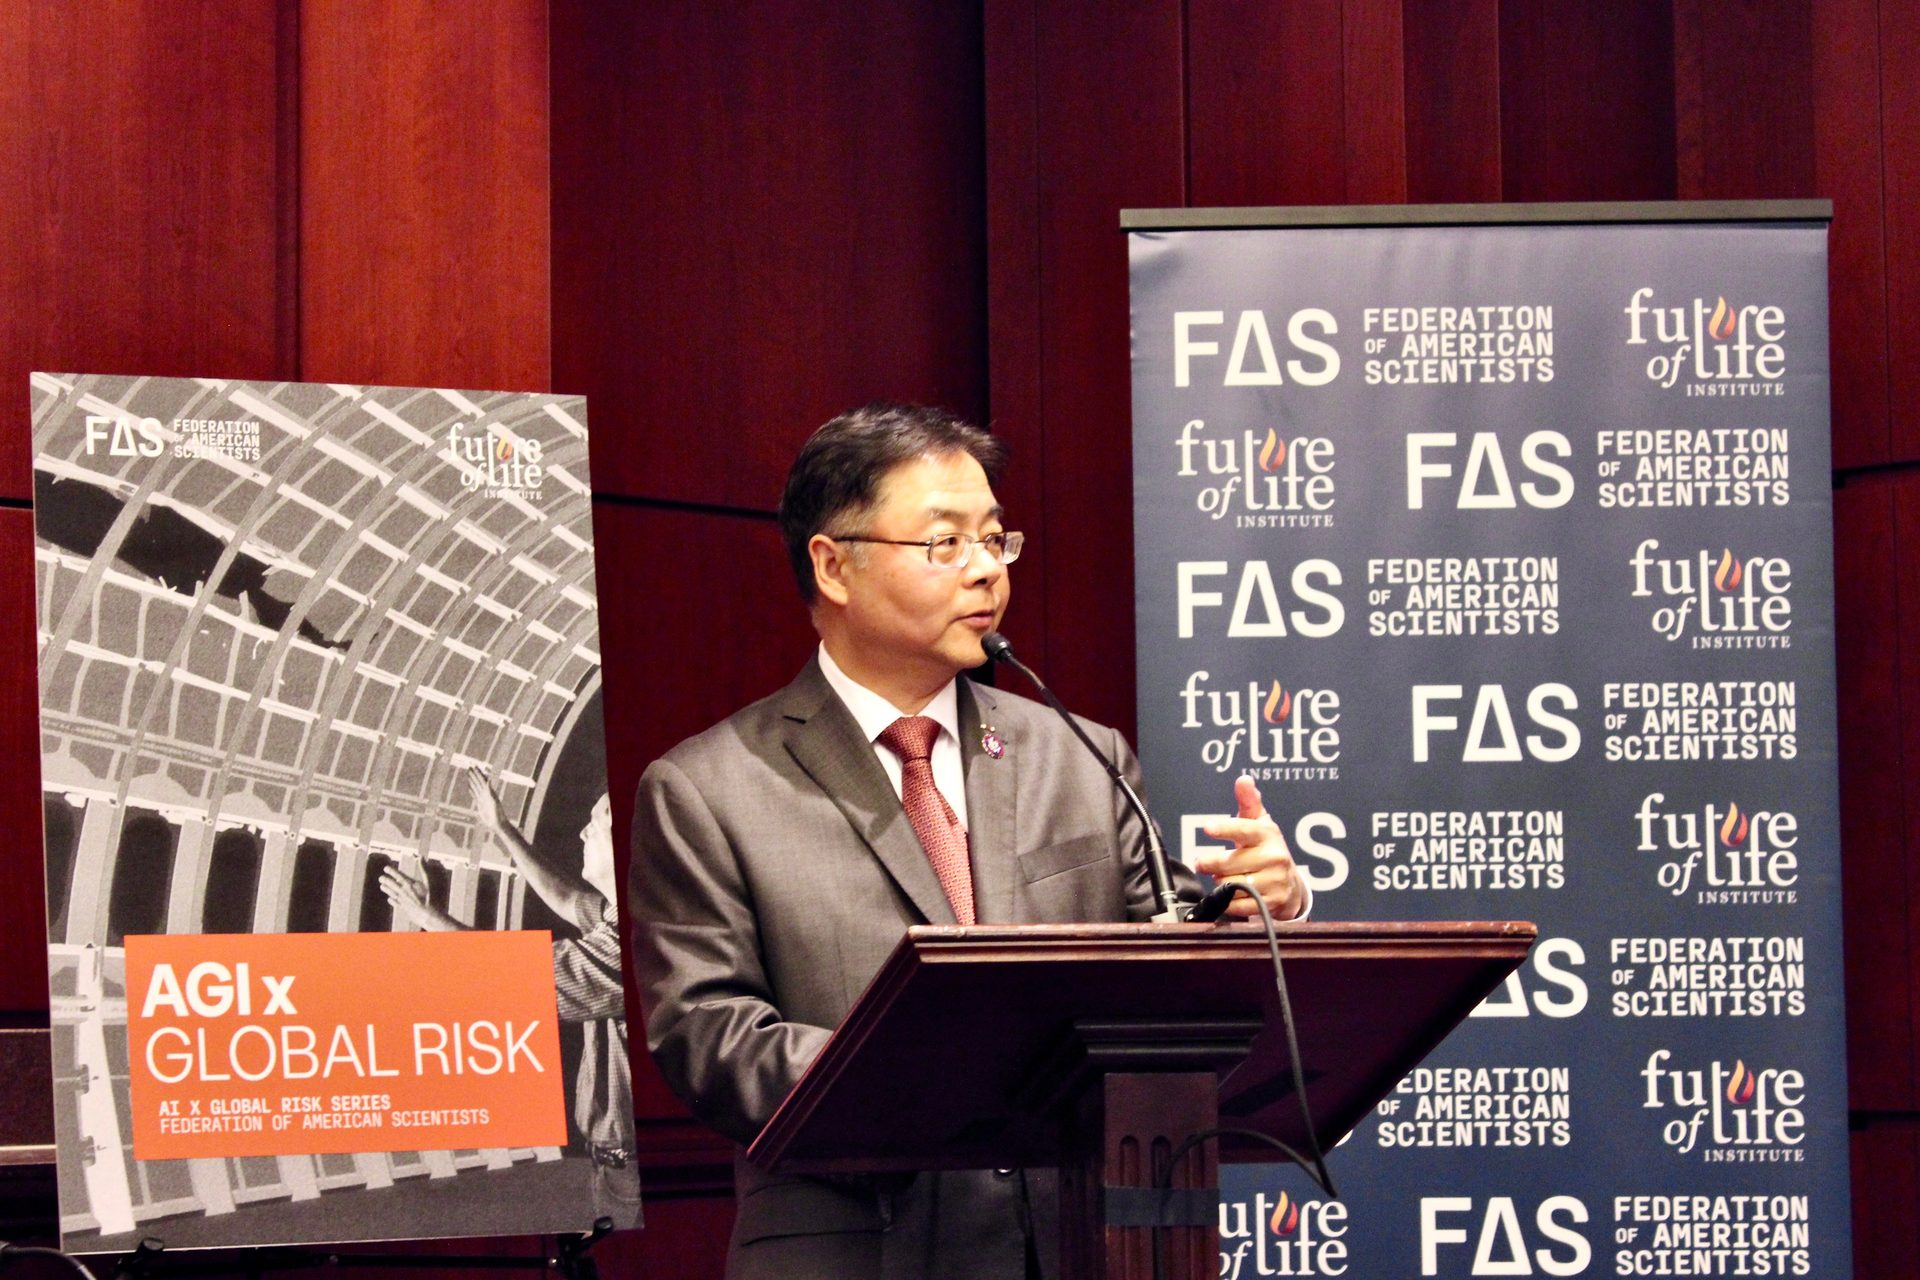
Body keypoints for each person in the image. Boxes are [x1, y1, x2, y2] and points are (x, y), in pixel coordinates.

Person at [628, 402, 1304, 1280]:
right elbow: (709, 1037)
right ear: (832, 566)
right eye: (946, 543)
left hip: (1079, 1246)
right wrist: (940, 1074)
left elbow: (1164, 956)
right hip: (856, 1255)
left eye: (994, 539)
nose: (986, 569)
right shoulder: (708, 788)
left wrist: (1253, 908)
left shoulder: (1080, 754)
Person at [381, 768, 640, 1230]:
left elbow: (513, 978)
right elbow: (566, 897)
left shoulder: (630, 949)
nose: (583, 832)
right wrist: (500, 827)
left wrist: (426, 916)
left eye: (598, 821)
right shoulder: (627, 915)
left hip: (632, 1173)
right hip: (615, 1164)